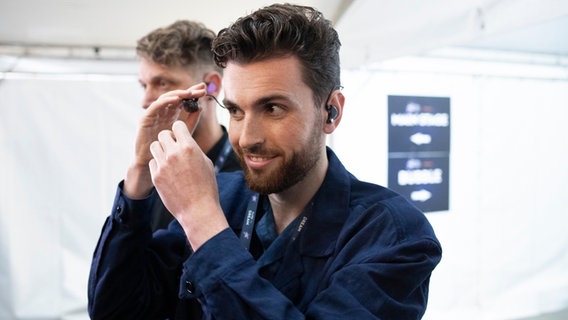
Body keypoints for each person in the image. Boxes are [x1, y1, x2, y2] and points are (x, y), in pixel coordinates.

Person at [88, 3, 442, 319]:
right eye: (236, 111)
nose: (247, 137)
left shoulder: (393, 236)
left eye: (272, 108)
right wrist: (137, 181)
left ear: (330, 112)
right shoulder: (222, 195)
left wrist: (203, 223)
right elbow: (115, 309)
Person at [135, 20, 241, 230]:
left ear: (211, 86)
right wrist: (138, 171)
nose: (146, 102)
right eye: (144, 86)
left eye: (162, 83)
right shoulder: (154, 169)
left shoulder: (250, 174)